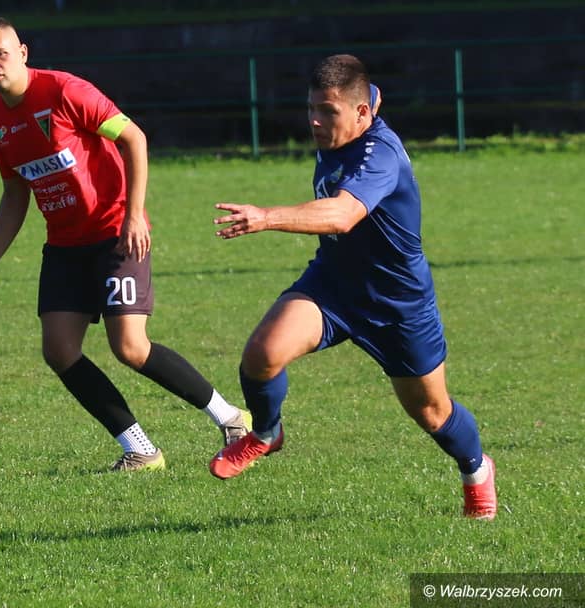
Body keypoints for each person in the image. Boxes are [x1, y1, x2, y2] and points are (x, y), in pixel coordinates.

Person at [207, 54, 498, 519]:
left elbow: (343, 214)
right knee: (261, 355)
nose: (315, 121)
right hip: (334, 284)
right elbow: (368, 89)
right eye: (311, 108)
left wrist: (266, 217)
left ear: (362, 114)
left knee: (432, 412)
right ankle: (266, 433)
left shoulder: (379, 155)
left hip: (396, 302)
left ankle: (476, 469)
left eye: (328, 112)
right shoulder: (357, 108)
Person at [0, 16, 250, 472]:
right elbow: (16, 190)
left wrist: (134, 214)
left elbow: (134, 137)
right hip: (64, 245)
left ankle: (231, 418)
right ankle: (140, 449)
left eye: (1, 53)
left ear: (23, 53)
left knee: (130, 347)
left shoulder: (64, 91)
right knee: (59, 350)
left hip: (115, 232)